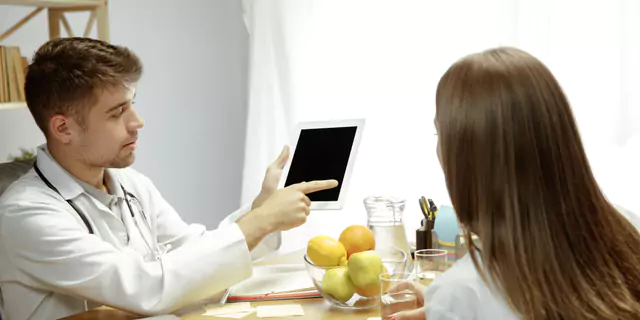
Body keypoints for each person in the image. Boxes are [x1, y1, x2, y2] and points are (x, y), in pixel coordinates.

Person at [0, 37, 338, 320]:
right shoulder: (26, 215)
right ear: (63, 128)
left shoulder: (130, 184)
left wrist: (261, 214)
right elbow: (147, 288)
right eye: (118, 112)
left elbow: (191, 254)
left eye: (132, 104)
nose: (138, 121)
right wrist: (259, 222)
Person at [390, 47, 640, 320]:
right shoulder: (628, 228)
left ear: (463, 158)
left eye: (441, 133)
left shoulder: (462, 291)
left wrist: (450, 307)